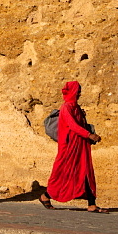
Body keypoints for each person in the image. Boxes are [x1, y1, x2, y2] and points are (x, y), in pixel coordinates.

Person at [40, 81, 107, 213]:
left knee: (86, 171)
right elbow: (73, 126)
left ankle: (92, 204)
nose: (79, 94)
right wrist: (90, 135)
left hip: (81, 145)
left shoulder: (76, 107)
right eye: (78, 91)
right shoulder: (66, 107)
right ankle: (46, 196)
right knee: (62, 174)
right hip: (69, 147)